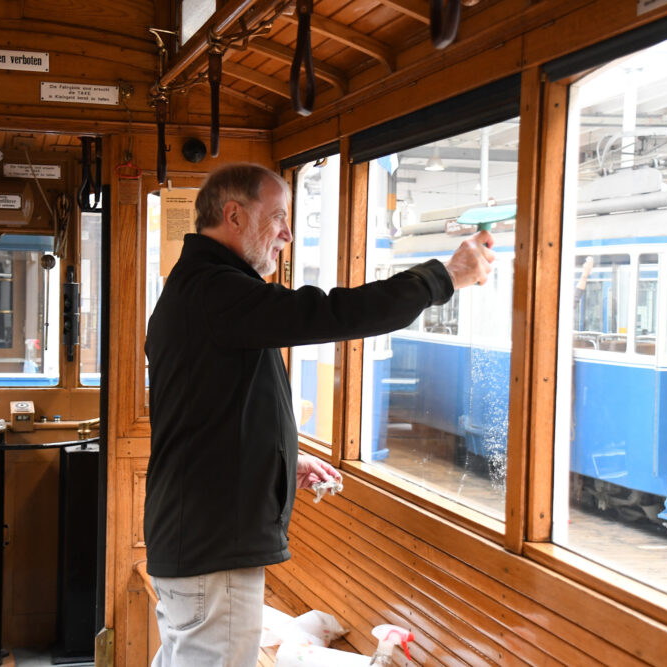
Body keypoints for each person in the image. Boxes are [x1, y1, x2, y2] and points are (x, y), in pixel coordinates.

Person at [144, 163, 494, 666]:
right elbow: (333, 312)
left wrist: (284, 460)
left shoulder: (200, 288)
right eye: (279, 217)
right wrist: (445, 278)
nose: (288, 233)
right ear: (234, 215)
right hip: (211, 546)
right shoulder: (216, 290)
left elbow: (212, 413)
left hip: (196, 536)